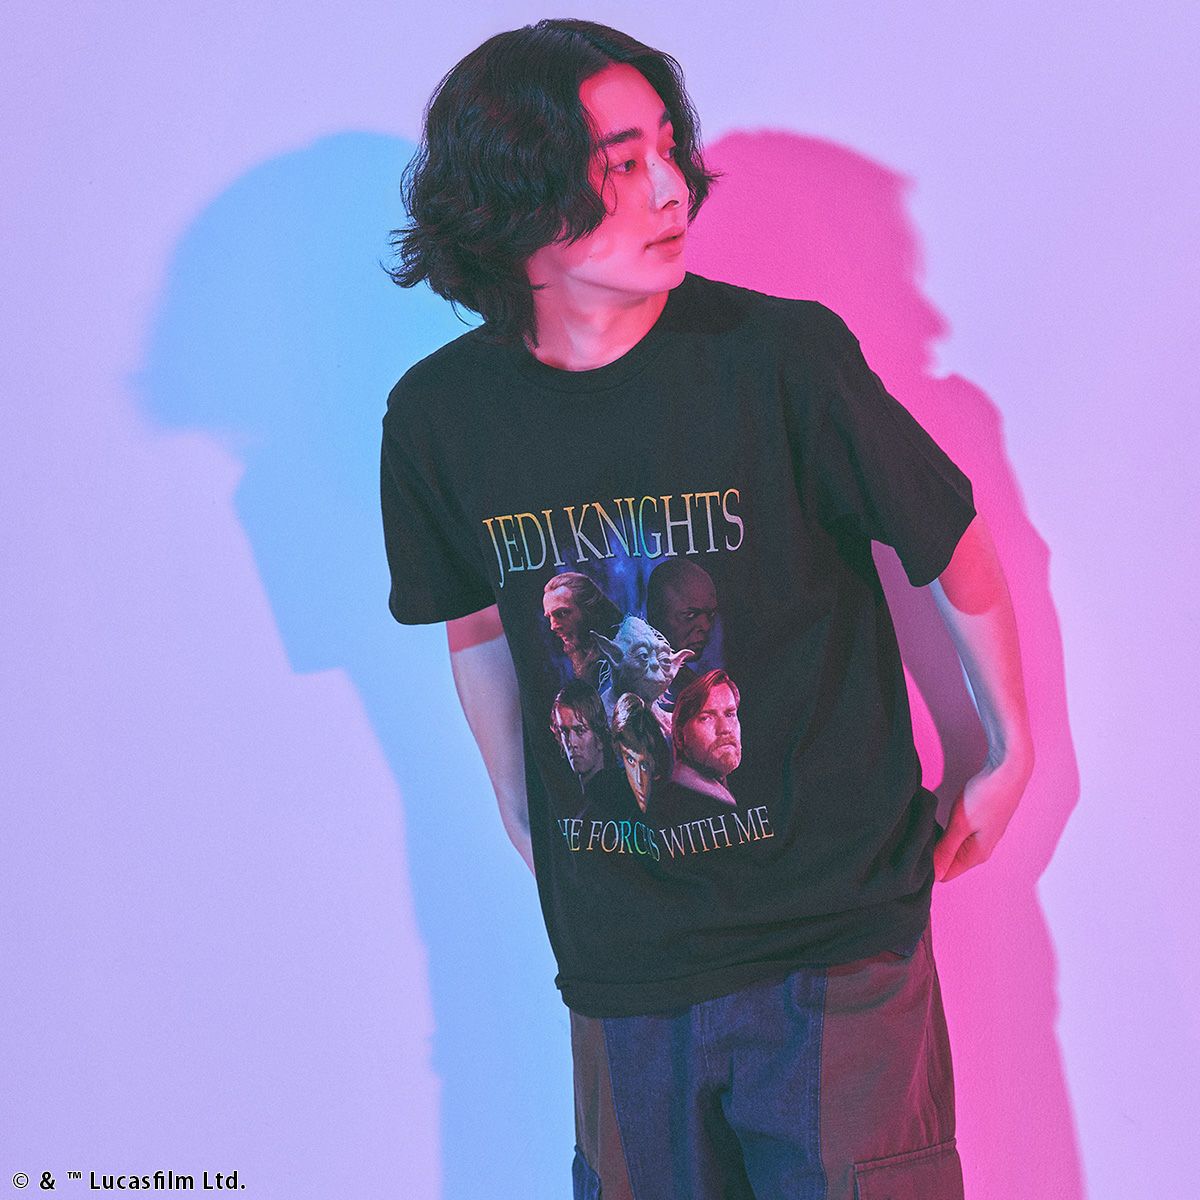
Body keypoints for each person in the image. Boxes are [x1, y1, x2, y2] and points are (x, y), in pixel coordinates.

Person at [379, 18, 1034, 1200]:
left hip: (835, 942)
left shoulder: (777, 359)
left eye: (668, 149)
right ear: (516, 195)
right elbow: (473, 626)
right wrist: (523, 809)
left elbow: (949, 534)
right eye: (623, 163)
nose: (673, 187)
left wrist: (1009, 745)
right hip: (623, 962)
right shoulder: (441, 419)